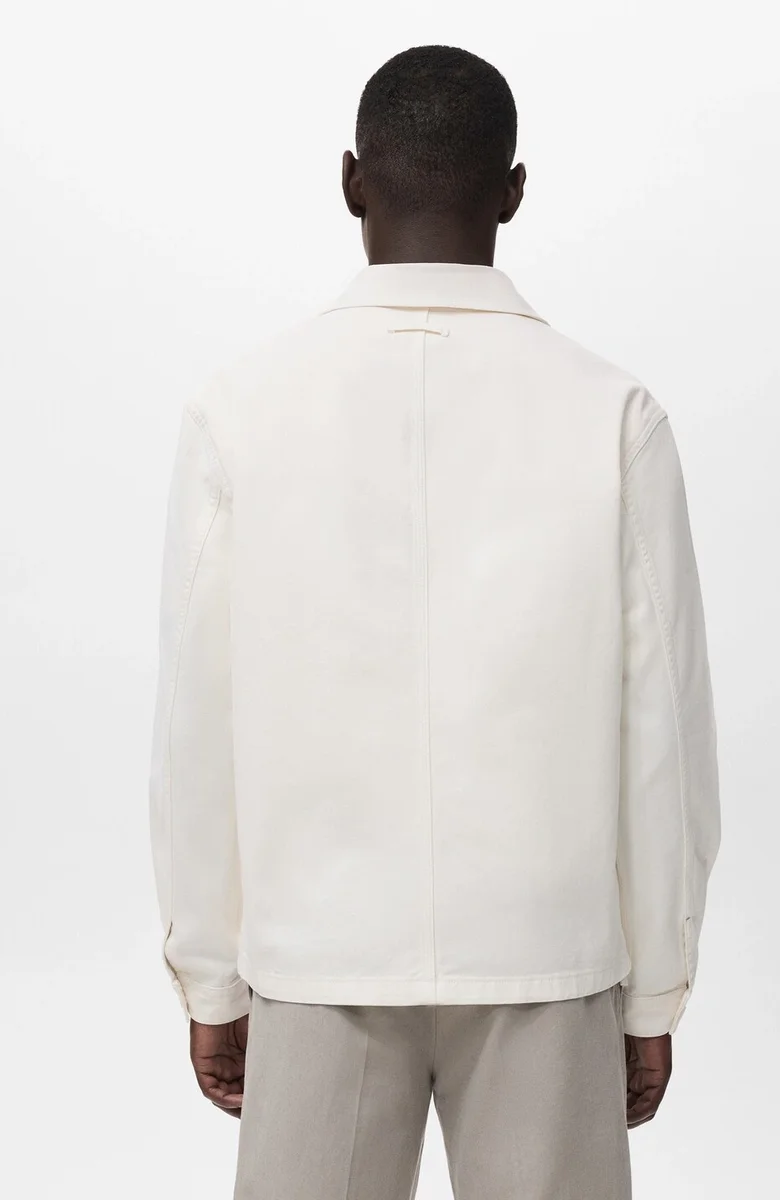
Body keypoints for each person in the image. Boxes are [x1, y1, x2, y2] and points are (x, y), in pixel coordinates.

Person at [148, 43, 721, 1200]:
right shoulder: (611, 415)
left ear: (352, 181)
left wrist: (209, 972)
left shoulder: (241, 411)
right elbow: (665, 728)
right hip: (545, 952)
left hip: (316, 955)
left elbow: (195, 724)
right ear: (513, 192)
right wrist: (654, 988)